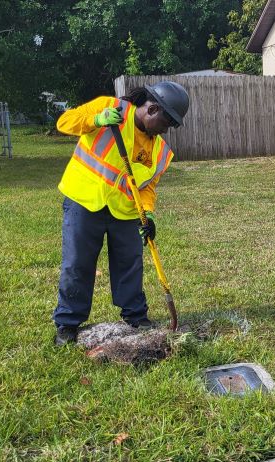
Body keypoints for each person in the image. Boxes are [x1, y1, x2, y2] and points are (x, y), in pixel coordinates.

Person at [52, 81, 189, 345]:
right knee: (78, 264)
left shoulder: (159, 151)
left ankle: (136, 316)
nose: (167, 129)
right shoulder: (109, 108)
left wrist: (148, 215)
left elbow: (148, 188)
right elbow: (65, 122)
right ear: (151, 109)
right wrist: (95, 120)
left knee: (130, 264)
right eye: (167, 121)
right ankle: (68, 323)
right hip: (85, 201)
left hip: (125, 211)